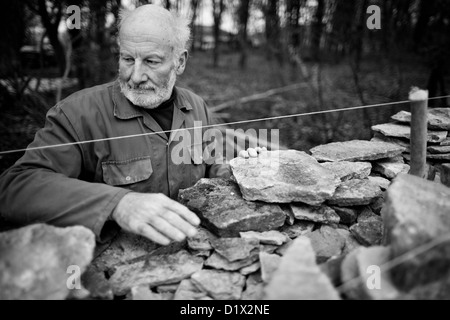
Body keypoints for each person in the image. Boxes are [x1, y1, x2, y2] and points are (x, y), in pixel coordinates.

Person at [0, 4, 261, 245]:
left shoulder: (196, 106)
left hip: (191, 260)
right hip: (112, 272)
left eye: (151, 61)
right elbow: (15, 187)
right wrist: (119, 204)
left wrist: (237, 171)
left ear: (179, 62)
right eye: (127, 59)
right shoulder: (77, 114)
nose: (135, 76)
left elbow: (212, 162)